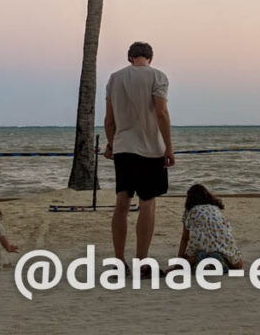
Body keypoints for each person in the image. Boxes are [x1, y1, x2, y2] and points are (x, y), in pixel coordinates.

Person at [103, 41, 175, 270]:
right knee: (147, 204)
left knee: (121, 203)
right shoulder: (158, 77)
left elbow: (109, 119)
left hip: (123, 147)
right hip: (150, 148)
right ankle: (142, 261)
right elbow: (161, 113)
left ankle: (118, 260)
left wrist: (111, 144)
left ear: (130, 58)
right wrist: (169, 147)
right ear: (149, 58)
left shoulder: (115, 79)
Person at [178, 184, 243, 270]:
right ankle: (219, 259)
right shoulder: (215, 208)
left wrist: (179, 264)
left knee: (187, 262)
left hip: (200, 247)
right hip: (221, 245)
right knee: (238, 265)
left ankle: (200, 259)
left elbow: (185, 238)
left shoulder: (189, 210)